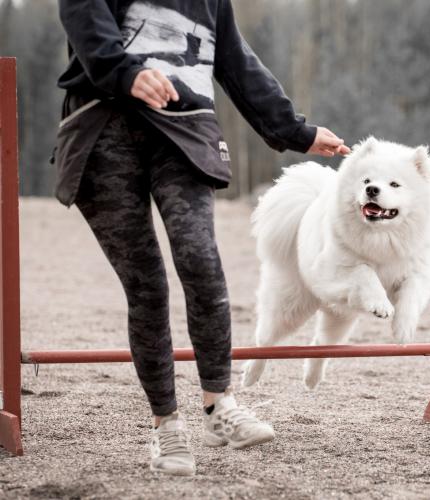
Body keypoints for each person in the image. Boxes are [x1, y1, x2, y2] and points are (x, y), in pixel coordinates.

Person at [53, 0, 351, 476]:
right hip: (102, 129)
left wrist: (296, 130)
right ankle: (166, 426)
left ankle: (219, 406)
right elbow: (82, 15)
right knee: (146, 286)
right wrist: (124, 72)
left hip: (185, 133)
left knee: (200, 259)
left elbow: (236, 62)